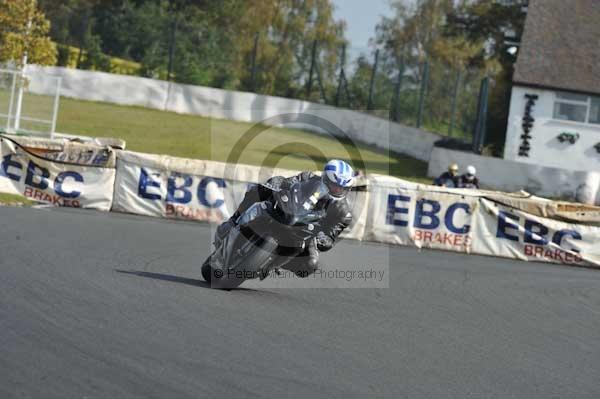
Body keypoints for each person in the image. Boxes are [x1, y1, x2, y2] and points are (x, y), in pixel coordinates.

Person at [214, 159, 355, 277]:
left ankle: (272, 263)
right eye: (334, 185)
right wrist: (276, 182)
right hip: (288, 210)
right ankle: (234, 220)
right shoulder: (308, 178)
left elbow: (331, 236)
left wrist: (324, 239)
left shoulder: (344, 213)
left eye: (341, 188)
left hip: (308, 231)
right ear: (325, 178)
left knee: (310, 265)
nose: (336, 190)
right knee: (258, 190)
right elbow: (288, 182)